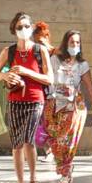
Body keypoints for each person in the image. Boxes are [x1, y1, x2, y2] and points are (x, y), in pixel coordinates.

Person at [0, 11, 52, 183]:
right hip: (15, 100)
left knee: (27, 140)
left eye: (26, 26)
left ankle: (33, 179)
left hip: (35, 99)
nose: (23, 30)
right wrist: (5, 76)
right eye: (19, 27)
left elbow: (49, 79)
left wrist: (26, 72)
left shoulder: (40, 51)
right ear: (13, 30)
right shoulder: (9, 52)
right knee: (16, 144)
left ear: (32, 28)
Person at [45, 29, 92, 183]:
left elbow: (90, 87)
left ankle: (66, 171)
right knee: (54, 138)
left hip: (74, 105)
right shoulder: (55, 59)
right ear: (66, 43)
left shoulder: (82, 64)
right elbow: (47, 79)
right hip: (54, 103)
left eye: (78, 42)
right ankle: (64, 167)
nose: (75, 45)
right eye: (72, 42)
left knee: (68, 139)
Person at [32, 21, 54, 164]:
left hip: (47, 89)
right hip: (36, 87)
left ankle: (50, 151)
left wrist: (46, 45)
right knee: (38, 122)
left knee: (47, 122)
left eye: (43, 37)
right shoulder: (32, 49)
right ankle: (46, 150)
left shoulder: (49, 50)